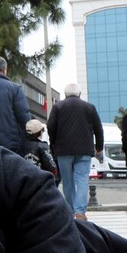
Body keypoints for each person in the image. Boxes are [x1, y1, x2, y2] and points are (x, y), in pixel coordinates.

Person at [47, 83, 103, 220]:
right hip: (84, 149)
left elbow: (50, 126)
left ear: (65, 94)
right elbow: (98, 128)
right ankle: (80, 212)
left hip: (63, 150)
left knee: (68, 181)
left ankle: (70, 210)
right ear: (79, 94)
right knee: (82, 179)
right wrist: (99, 147)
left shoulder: (57, 107)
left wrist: (54, 143)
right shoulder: (89, 107)